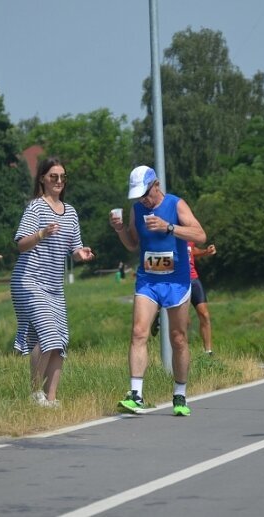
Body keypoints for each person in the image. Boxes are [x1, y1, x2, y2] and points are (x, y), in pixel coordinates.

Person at [110, 165, 206, 416]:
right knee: (138, 332)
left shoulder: (176, 205)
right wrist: (120, 229)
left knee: (178, 338)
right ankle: (136, 394)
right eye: (139, 195)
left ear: (156, 185)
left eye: (146, 193)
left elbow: (200, 235)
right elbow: (133, 244)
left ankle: (180, 394)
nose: (143, 199)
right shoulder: (137, 209)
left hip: (176, 281)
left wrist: (169, 227)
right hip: (148, 281)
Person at [10, 157, 94, 408]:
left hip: (54, 287)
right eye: (53, 177)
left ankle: (51, 399)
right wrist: (42, 233)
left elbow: (75, 248)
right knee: (49, 335)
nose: (59, 181)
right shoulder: (36, 208)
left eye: (62, 177)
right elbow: (21, 243)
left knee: (61, 340)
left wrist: (82, 254)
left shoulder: (71, 212)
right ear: (42, 180)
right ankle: (35, 394)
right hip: (29, 280)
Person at [187, 241, 216, 355]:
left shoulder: (187, 233)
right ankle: (182, 351)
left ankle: (208, 351)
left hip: (193, 279)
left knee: (204, 314)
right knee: (185, 321)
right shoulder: (170, 234)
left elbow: (192, 250)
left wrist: (205, 251)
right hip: (179, 282)